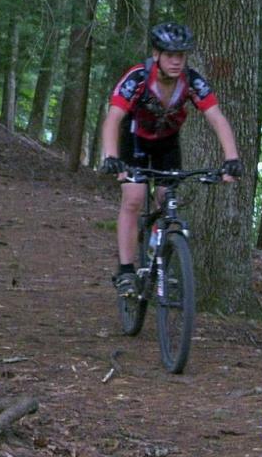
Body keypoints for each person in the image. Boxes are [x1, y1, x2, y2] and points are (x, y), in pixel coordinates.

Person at [100, 22, 243, 299]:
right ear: (157, 55)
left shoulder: (192, 80)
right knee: (133, 197)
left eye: (182, 55)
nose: (177, 61)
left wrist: (232, 158)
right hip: (135, 140)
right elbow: (113, 118)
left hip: (167, 143)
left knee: (168, 199)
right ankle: (127, 270)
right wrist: (111, 157)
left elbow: (216, 117)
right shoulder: (137, 78)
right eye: (170, 55)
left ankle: (159, 261)